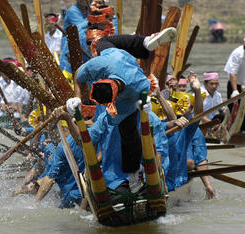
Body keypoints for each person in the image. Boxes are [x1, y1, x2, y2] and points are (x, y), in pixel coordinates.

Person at [67, 28, 176, 183]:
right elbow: (79, 74)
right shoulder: (100, 63)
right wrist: (76, 99)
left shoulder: (137, 87)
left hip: (132, 84)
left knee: (128, 131)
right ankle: (143, 42)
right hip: (117, 55)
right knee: (102, 42)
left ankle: (134, 173)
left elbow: (147, 87)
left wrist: (145, 105)